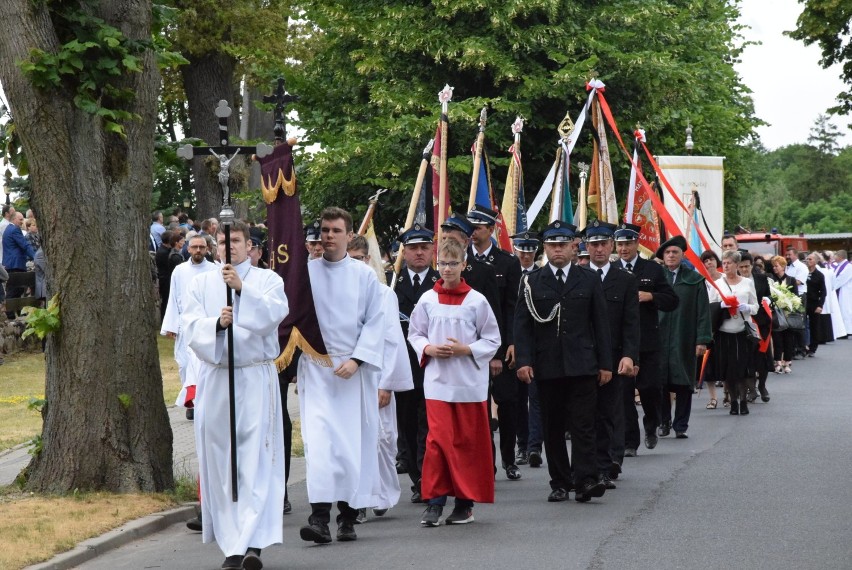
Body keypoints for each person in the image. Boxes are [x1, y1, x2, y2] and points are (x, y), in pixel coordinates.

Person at [182, 220, 289, 570]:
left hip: (254, 377)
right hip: (217, 378)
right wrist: (216, 324)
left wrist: (242, 289)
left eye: (237, 241)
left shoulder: (268, 280)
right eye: (224, 242)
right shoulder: (200, 283)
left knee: (256, 460)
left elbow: (274, 315)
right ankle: (231, 545)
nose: (230, 248)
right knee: (222, 461)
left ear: (251, 247)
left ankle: (253, 543)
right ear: (216, 247)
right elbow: (190, 326)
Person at [298, 207, 384, 545]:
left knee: (350, 446)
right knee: (319, 446)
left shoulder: (363, 276)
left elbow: (375, 322)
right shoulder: (306, 274)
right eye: (324, 230)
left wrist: (359, 359)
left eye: (336, 230)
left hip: (351, 373)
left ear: (349, 236)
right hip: (317, 370)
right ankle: (319, 519)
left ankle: (347, 517)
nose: (328, 236)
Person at [514, 220, 612, 503]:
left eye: (563, 245)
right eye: (552, 245)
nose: (557, 250)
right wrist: (523, 361)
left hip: (582, 364)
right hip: (547, 367)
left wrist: (606, 363)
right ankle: (559, 481)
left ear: (574, 247)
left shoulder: (589, 280)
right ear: (544, 248)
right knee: (553, 426)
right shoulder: (532, 281)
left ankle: (586, 480)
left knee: (584, 425)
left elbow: (600, 325)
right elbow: (522, 326)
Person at [409, 239, 500, 526]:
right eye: (443, 264)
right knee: (437, 442)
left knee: (466, 444)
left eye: (453, 263)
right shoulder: (427, 300)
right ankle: (435, 503)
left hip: (469, 385)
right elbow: (415, 333)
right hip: (437, 383)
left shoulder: (477, 300)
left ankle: (464, 504)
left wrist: (467, 349)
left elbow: (492, 339)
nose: (447, 269)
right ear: (438, 266)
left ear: (463, 265)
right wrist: (428, 349)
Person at [347, 235, 413, 521]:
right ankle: (355, 501)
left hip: (377, 377)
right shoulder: (337, 295)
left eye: (361, 258)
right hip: (347, 378)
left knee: (383, 439)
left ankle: (383, 493)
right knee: (353, 440)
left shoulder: (384, 294)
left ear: (369, 260)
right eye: (351, 259)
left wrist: (387, 384)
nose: (357, 264)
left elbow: (392, 342)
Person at [465, 204, 522, 482]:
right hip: (469, 349)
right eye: (470, 227)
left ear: (491, 229)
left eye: (477, 227)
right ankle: (487, 461)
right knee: (479, 407)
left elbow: (511, 308)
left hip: (501, 348)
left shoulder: (508, 263)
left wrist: (506, 346)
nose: (472, 233)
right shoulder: (460, 261)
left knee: (508, 404)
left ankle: (510, 459)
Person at [613, 223, 678, 459]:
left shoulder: (652, 269)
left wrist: (651, 296)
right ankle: (630, 441)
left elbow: (672, 300)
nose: (623, 249)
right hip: (620, 344)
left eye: (628, 244)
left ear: (636, 244)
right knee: (624, 394)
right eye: (619, 244)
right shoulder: (610, 271)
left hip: (647, 341)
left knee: (650, 388)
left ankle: (651, 423)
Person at [582, 220, 639, 489]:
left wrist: (629, 355)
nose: (599, 249)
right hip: (583, 357)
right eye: (593, 244)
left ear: (611, 245)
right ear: (586, 247)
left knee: (607, 414)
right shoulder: (578, 276)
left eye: (604, 243)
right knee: (583, 416)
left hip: (614, 357)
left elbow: (631, 322)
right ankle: (585, 468)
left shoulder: (625, 280)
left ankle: (605, 467)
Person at [393, 224, 441, 503]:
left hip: (433, 366)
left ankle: (428, 478)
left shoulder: (440, 282)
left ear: (432, 249)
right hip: (403, 366)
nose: (419, 252)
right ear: (405, 251)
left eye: (424, 247)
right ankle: (416, 475)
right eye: (413, 248)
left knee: (430, 426)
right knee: (407, 426)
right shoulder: (391, 283)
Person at [657, 235, 711, 439]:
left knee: (684, 382)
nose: (671, 255)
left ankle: (681, 425)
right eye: (668, 252)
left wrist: (702, 339)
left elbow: (703, 311)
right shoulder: (656, 278)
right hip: (659, 338)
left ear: (682, 255)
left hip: (684, 337)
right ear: (663, 255)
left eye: (675, 252)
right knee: (660, 381)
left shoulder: (694, 279)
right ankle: (663, 421)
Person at [161, 234, 217, 417]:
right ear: (188, 249)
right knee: (185, 365)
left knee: (203, 363)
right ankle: (190, 401)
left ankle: (205, 400)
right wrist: (171, 325)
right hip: (186, 326)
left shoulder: (214, 270)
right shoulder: (180, 271)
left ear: (207, 249)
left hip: (206, 325)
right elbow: (174, 298)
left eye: (202, 247)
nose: (198, 250)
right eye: (195, 247)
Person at [708, 250, 758, 415]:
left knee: (742, 369)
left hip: (742, 331)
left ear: (737, 265)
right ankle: (733, 401)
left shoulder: (747, 283)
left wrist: (746, 307)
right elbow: (710, 306)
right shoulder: (718, 283)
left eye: (729, 263)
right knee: (728, 370)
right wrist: (721, 306)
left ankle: (743, 401)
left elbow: (756, 307)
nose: (726, 266)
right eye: (725, 262)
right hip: (724, 332)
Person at [511, 231, 543, 468]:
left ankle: (533, 446)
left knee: (537, 398)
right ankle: (523, 444)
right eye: (521, 249)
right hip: (512, 345)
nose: (525, 254)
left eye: (529, 250)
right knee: (516, 401)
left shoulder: (541, 276)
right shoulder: (511, 274)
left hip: (537, 345)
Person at [738, 252, 773, 402]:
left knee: (762, 356)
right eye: (742, 267)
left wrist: (768, 300)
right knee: (748, 358)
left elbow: (769, 295)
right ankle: (751, 389)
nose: (745, 269)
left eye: (747, 266)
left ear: (752, 266)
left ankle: (762, 386)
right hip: (744, 322)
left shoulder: (761, 278)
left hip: (761, 321)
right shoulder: (735, 281)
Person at [700, 250, 723, 407]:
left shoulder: (725, 280)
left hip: (724, 324)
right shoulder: (700, 281)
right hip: (707, 325)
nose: (709, 263)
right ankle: (713, 398)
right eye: (705, 260)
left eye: (711, 259)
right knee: (709, 364)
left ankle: (728, 394)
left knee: (724, 361)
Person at [768, 256, 799, 374]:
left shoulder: (791, 280)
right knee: (777, 338)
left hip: (788, 313)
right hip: (776, 313)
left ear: (783, 266)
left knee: (788, 339)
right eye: (773, 266)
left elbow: (796, 295)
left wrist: (789, 302)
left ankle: (787, 361)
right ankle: (777, 362)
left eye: (776, 266)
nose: (774, 268)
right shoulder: (771, 280)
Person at [805, 252, 827, 356]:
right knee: (803, 325)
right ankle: (803, 346)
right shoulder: (804, 272)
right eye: (807, 259)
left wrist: (820, 305)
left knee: (814, 326)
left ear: (815, 261)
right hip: (804, 301)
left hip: (814, 303)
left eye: (810, 259)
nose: (808, 261)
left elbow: (823, 292)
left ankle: (813, 347)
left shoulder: (819, 275)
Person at [834, 250, 852, 337]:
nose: (834, 257)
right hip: (840, 291)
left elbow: (841, 279)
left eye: (836, 255)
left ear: (840, 257)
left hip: (845, 292)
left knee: (845, 310)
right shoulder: (839, 266)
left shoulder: (848, 267)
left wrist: (832, 287)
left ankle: (848, 330)